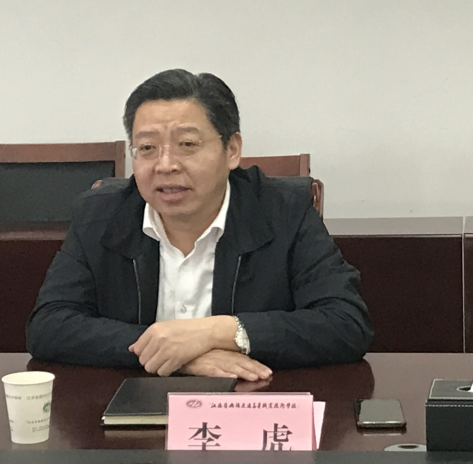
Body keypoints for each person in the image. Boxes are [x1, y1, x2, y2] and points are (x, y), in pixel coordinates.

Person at [26, 69, 373, 381]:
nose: (165, 165)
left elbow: (346, 323)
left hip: (248, 408)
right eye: (147, 148)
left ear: (232, 150)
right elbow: (48, 326)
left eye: (187, 145)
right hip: (132, 408)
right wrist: (177, 355)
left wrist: (218, 332)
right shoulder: (99, 216)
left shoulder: (284, 212)